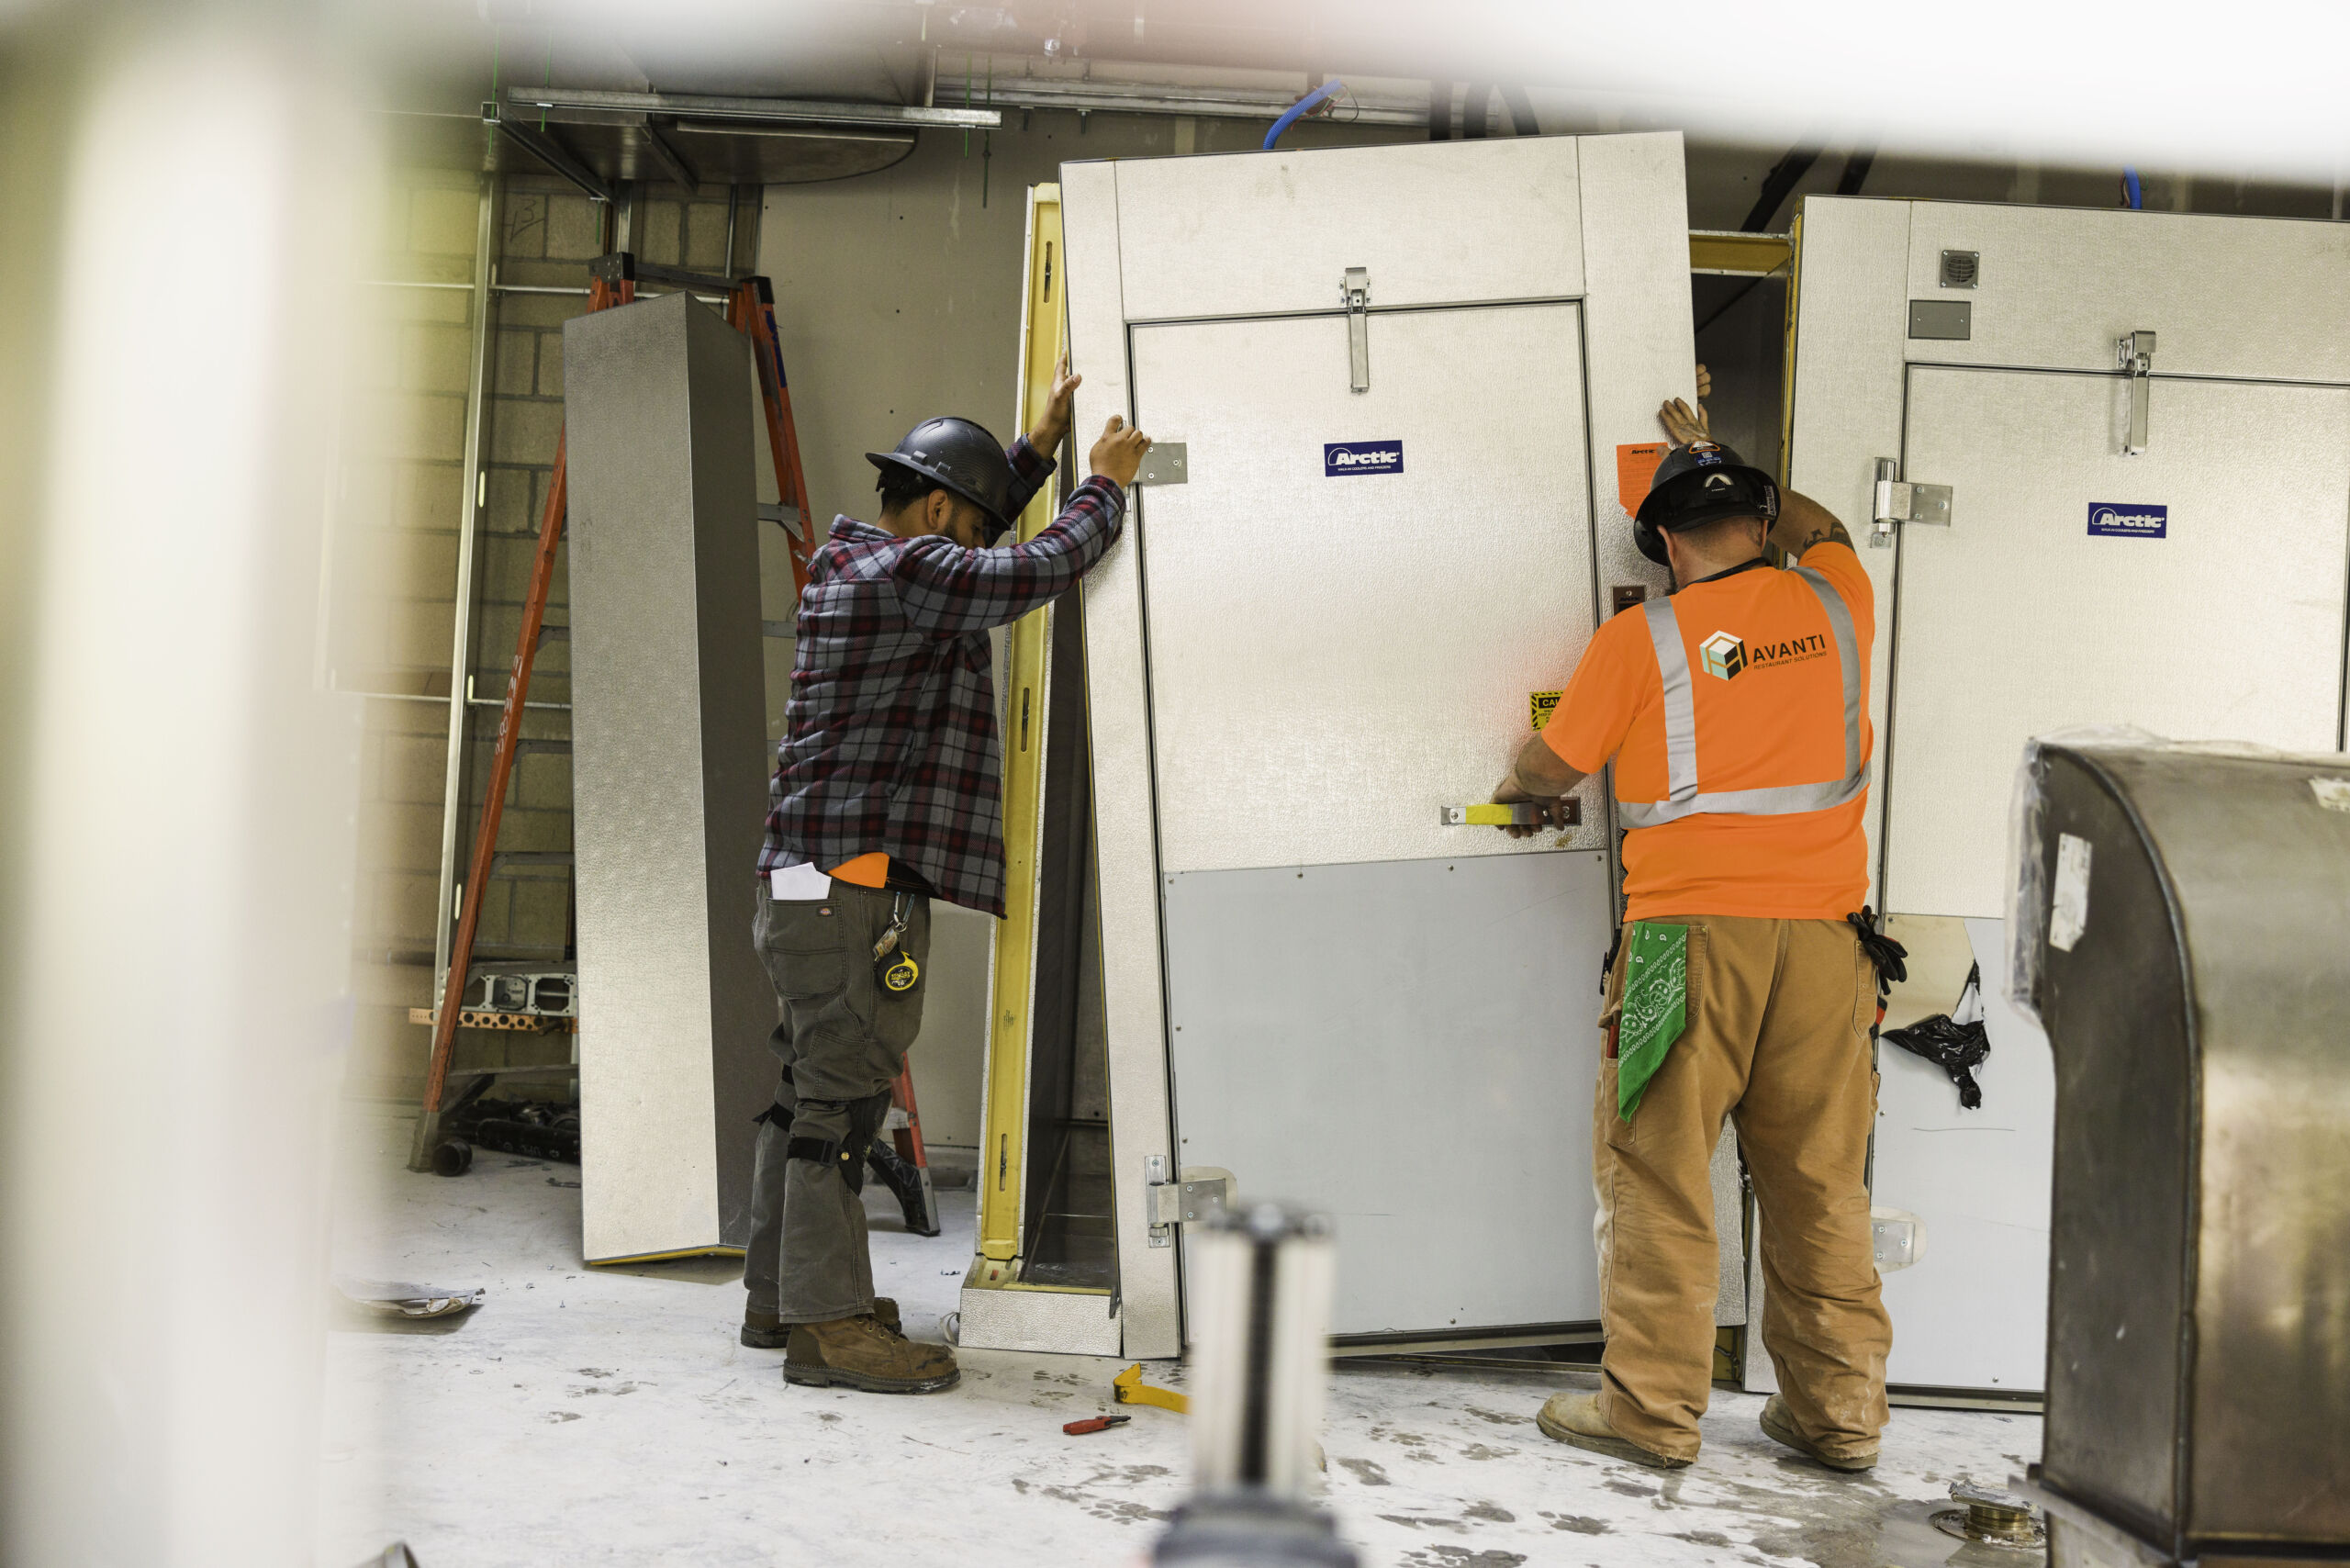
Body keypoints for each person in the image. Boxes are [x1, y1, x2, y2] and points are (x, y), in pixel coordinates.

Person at [1490, 393, 1895, 1471]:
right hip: (1826, 946)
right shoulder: (1839, 600)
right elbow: (1832, 532)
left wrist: (1513, 777)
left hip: (1682, 945)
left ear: (1664, 544)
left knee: (1658, 1174)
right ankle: (1837, 1415)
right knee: (1819, 1181)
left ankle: (1651, 1412)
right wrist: (1715, 446)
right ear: (1760, 526)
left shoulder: (1643, 638)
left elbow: (1552, 768)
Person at [740, 362, 1150, 1394]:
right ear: (932, 510)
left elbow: (975, 551)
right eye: (968, 522)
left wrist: (1036, 453)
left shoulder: (860, 564)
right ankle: (829, 1327)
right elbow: (1029, 571)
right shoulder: (912, 576)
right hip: (851, 893)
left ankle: (778, 1296)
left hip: (805, 887)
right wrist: (1103, 484)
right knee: (839, 1104)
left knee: (803, 1093)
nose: (976, 545)